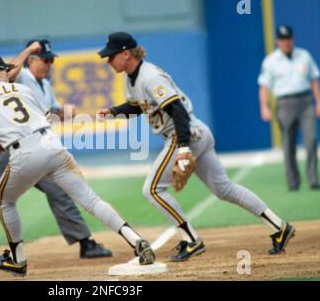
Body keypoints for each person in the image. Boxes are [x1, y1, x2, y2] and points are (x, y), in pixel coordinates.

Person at [96, 32, 295, 262]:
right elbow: (139, 106)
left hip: (184, 133)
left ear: (126, 54)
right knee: (224, 189)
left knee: (152, 190)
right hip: (197, 132)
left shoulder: (150, 77)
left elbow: (177, 110)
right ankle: (279, 227)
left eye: (111, 56)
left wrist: (182, 148)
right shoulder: (132, 78)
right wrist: (114, 112)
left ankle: (192, 240)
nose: (108, 61)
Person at [0, 52, 155, 275]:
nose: (9, 73)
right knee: (91, 200)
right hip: (52, 145)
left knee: (5, 201)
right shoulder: (23, 89)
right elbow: (45, 118)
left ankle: (18, 260)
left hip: (23, 152)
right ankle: (136, 240)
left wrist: (1, 142)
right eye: (6, 70)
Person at [0, 41, 111, 269]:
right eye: (45, 59)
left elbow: (47, 113)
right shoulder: (19, 79)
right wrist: (29, 50)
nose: (49, 64)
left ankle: (85, 243)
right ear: (31, 62)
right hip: (10, 151)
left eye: (51, 60)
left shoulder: (44, 85)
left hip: (37, 147)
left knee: (59, 192)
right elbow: (8, 69)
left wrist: (68, 114)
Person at [258, 25, 320, 191]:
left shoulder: (304, 55)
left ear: (293, 39)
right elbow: (264, 86)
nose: (286, 43)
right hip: (284, 103)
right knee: (288, 144)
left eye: (289, 39)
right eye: (283, 40)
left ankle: (313, 179)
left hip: (305, 100)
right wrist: (265, 107)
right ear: (278, 41)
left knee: (311, 140)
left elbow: (314, 79)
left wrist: (318, 101)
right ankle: (293, 182)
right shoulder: (270, 61)